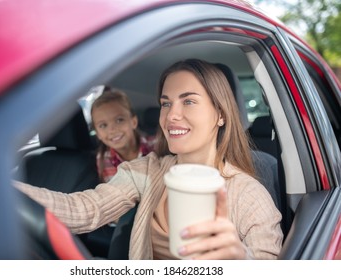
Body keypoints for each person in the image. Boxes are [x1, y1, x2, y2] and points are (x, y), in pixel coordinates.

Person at [14, 58, 283, 260]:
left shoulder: (250, 195)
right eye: (166, 103)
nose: (171, 115)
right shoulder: (146, 170)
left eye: (188, 101)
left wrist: (241, 261)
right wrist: (2, 191)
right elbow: (83, 209)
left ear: (221, 114)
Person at [91, 87, 156, 183]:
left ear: (133, 122)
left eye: (119, 120)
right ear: (98, 134)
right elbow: (115, 192)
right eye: (103, 125)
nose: (111, 130)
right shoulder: (103, 158)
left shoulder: (156, 145)